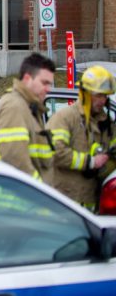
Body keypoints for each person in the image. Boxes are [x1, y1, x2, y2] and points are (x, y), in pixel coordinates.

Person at [48, 65, 115, 211]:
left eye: (105, 96)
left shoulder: (106, 123)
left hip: (92, 203)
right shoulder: (65, 118)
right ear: (85, 93)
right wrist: (91, 162)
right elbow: (56, 153)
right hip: (65, 203)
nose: (102, 100)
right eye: (98, 95)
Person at [0, 53, 56, 184]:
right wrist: (44, 192)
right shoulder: (14, 107)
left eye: (50, 84)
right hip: (20, 201)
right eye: (44, 83)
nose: (48, 89)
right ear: (27, 79)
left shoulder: (28, 107)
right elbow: (15, 162)